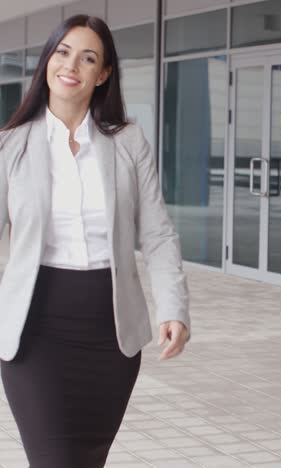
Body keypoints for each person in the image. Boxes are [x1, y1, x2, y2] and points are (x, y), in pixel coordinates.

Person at [0, 15, 191, 468]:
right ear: (48, 61)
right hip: (33, 329)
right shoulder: (10, 146)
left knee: (86, 461)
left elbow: (158, 234)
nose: (72, 65)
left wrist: (173, 308)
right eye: (63, 52)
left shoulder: (128, 141)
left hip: (110, 332)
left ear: (103, 73)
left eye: (88, 58)